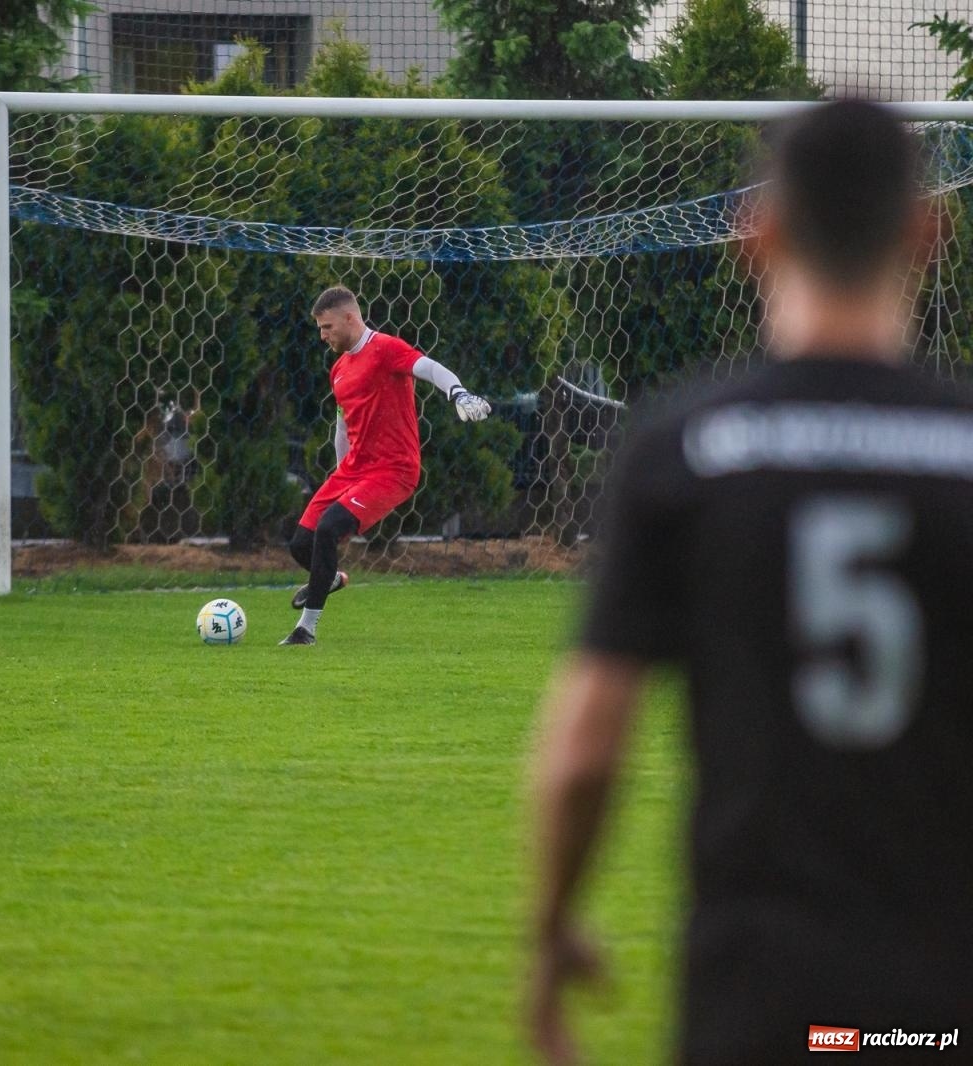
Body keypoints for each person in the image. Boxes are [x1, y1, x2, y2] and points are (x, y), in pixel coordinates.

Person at [529, 100, 973, 1065]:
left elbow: (585, 748)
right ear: (927, 232)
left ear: (759, 232)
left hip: (760, 987)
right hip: (943, 994)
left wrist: (554, 922)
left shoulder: (685, 447)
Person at [280, 285, 491, 645]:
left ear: (350, 317)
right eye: (319, 328)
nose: (322, 335)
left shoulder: (386, 349)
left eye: (327, 327)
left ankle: (305, 630)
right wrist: (341, 479)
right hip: (352, 470)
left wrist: (458, 393)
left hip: (394, 470)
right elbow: (343, 426)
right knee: (302, 543)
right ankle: (329, 579)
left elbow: (431, 368)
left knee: (329, 528)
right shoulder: (339, 369)